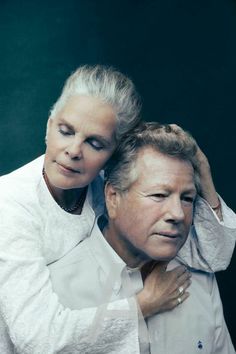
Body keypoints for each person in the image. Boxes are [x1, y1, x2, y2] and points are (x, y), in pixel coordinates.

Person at [0, 65, 235, 354]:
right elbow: (36, 338)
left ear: (112, 154)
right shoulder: (9, 205)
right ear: (49, 126)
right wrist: (143, 304)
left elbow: (214, 256)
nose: (74, 150)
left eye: (95, 143)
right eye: (66, 131)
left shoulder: (103, 185)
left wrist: (204, 175)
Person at [49, 122, 235, 353]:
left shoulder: (199, 280)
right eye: (159, 195)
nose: (177, 214)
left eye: (187, 198)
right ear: (113, 198)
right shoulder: (55, 292)